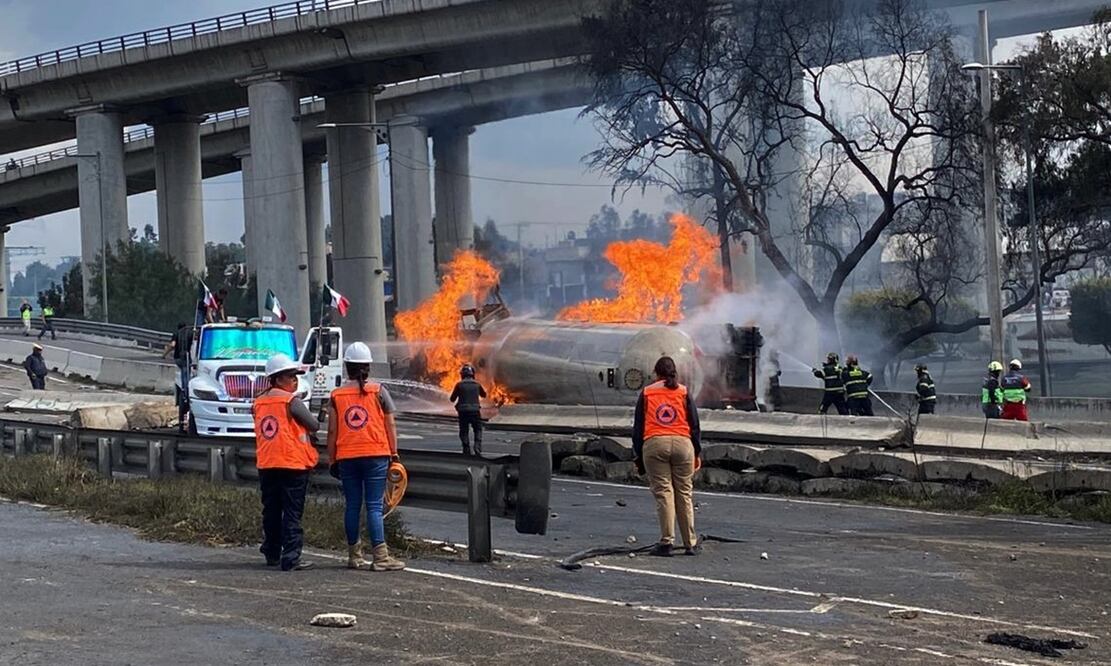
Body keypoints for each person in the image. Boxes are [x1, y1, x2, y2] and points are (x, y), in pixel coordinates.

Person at [326, 342, 406, 572]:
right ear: (368, 367)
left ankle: (354, 555)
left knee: (352, 505)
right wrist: (394, 453)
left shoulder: (336, 396)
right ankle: (380, 557)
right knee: (373, 505)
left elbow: (332, 431)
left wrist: (332, 460)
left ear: (347, 367)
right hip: (376, 454)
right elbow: (390, 423)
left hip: (347, 456)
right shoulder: (378, 391)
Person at [253, 353, 320, 572]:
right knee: (292, 512)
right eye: (291, 376)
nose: (295, 380)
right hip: (292, 465)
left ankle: (271, 552)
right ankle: (291, 557)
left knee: (271, 511)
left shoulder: (259, 402)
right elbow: (314, 425)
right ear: (278, 378)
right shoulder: (292, 401)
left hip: (267, 464)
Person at [632, 356, 702, 557]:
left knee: (664, 492)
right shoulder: (683, 391)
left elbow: (638, 429)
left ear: (656, 373)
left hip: (655, 444)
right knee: (684, 493)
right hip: (683, 444)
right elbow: (695, 425)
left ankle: (666, 542)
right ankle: (690, 543)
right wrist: (696, 452)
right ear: (674, 372)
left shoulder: (647, 392)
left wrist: (638, 456)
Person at [163, 323, 195, 433]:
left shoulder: (176, 334)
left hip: (178, 358)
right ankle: (187, 390)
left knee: (183, 374)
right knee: (187, 373)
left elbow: (172, 345)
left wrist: (164, 354)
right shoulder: (190, 333)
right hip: (187, 357)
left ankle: (184, 391)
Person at [449, 364, 487, 455]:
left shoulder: (459, 385)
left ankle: (466, 449)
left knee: (464, 430)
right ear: (472, 374)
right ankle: (477, 447)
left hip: (463, 412)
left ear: (462, 375)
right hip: (475, 411)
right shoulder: (477, 384)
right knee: (478, 429)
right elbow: (484, 395)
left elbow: (452, 399)